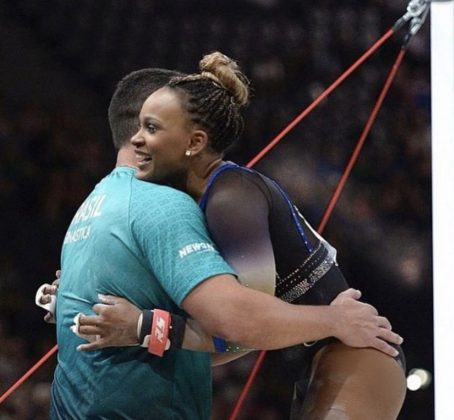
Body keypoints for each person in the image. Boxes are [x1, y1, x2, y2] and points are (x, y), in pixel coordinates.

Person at [48, 67, 401, 419]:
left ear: (194, 142)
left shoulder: (230, 197)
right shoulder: (191, 199)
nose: (136, 139)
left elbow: (242, 327)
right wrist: (78, 293)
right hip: (314, 352)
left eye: (151, 128)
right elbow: (222, 332)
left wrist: (144, 327)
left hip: (353, 347)